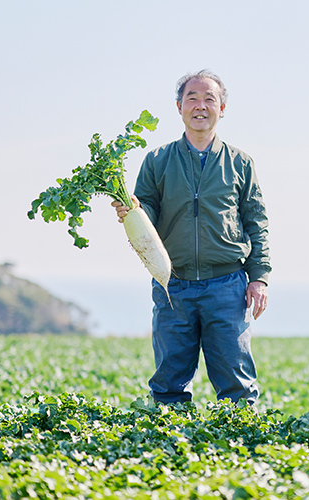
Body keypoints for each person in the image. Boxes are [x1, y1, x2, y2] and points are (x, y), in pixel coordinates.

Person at [113, 70, 270, 405]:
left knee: (237, 382)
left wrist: (259, 278)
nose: (201, 106)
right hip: (174, 286)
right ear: (179, 106)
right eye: (192, 98)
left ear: (222, 107)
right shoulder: (157, 161)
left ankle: (241, 449)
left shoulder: (240, 163)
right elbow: (147, 217)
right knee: (170, 381)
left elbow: (256, 222)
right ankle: (172, 447)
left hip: (227, 286)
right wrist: (131, 213)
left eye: (209, 98)